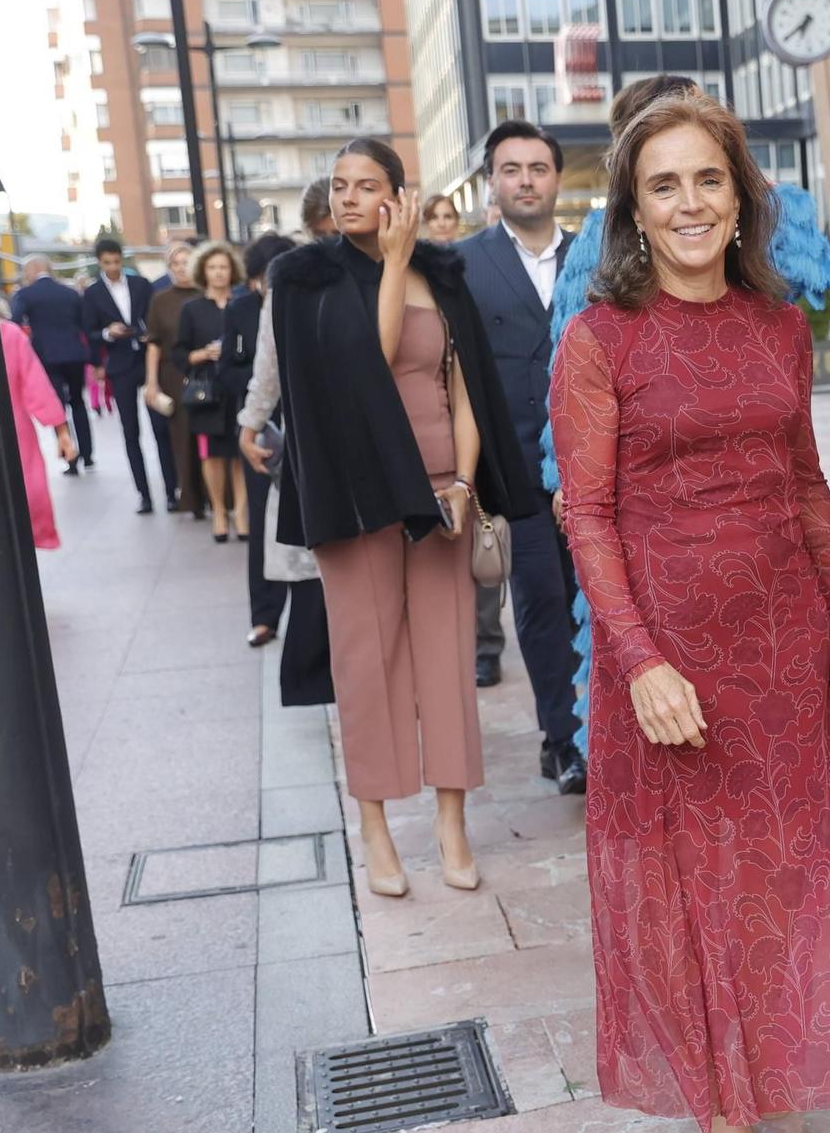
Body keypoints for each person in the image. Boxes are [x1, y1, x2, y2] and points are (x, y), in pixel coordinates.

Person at [549, 92, 830, 1133]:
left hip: (777, 642)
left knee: (776, 869)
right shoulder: (601, 339)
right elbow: (583, 514)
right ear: (633, 210)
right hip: (668, 654)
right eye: (663, 185)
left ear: (741, 196)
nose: (689, 203)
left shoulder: (778, 324)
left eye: (707, 180)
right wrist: (635, 660)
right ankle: (724, 1124)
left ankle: (768, 1065)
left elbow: (805, 480)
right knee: (693, 887)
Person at [268, 139, 535, 899]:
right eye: (340, 185)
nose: (349, 197)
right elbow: (366, 360)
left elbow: (467, 386)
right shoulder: (305, 278)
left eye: (367, 185)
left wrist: (463, 481)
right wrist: (390, 263)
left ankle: (453, 823)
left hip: (441, 493)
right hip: (358, 498)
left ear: (399, 194)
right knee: (368, 661)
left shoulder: (443, 273)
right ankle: (377, 828)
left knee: (448, 657)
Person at [457, 121, 585, 790]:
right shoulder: (464, 263)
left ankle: (606, 727)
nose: (527, 179)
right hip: (515, 471)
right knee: (540, 602)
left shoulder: (596, 254)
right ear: (493, 182)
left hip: (597, 465)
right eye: (512, 169)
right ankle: (564, 740)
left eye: (538, 167)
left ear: (557, 177)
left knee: (598, 602)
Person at [238, 253, 336, 707]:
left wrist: (252, 422)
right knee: (309, 565)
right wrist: (251, 422)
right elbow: (268, 365)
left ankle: (319, 679)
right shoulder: (289, 288)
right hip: (308, 440)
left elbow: (267, 367)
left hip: (320, 437)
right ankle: (314, 679)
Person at [222, 234, 295, 643]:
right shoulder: (241, 309)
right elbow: (229, 372)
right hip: (262, 427)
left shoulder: (300, 299)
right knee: (261, 520)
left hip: (302, 424)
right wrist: (257, 399)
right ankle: (264, 615)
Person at [80, 238, 166, 512]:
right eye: (108, 263)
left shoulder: (141, 284)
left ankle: (173, 489)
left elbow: (156, 318)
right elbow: (90, 332)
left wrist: (145, 332)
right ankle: (144, 494)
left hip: (147, 360)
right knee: (131, 432)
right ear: (100, 263)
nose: (114, 267)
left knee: (161, 427)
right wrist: (108, 333)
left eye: (117, 261)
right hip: (120, 364)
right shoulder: (93, 294)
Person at [176, 241, 249, 542]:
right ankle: (218, 511)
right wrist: (204, 353)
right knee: (212, 456)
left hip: (239, 388)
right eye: (212, 267)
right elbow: (179, 354)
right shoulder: (192, 309)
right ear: (203, 271)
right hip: (207, 392)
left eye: (223, 267)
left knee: (240, 453)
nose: (219, 273)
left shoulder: (242, 304)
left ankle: (241, 512)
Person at [10, 256, 95, 477]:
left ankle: (71, 457)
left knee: (58, 407)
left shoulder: (26, 295)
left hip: (47, 358)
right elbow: (84, 324)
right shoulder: (70, 293)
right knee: (78, 402)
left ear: (31, 271)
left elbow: (15, 322)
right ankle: (88, 454)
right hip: (75, 355)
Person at [0, 312, 76, 548]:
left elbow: (36, 386)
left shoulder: (8, 334)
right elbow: (36, 386)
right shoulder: (7, 333)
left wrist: (62, 433)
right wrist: (61, 432)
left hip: (13, 433)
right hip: (13, 433)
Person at [145, 240, 202, 516]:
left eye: (186, 262)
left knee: (209, 434)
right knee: (180, 436)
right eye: (176, 264)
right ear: (169, 268)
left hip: (205, 371)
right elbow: (153, 343)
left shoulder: (206, 293)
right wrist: (152, 382)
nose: (181, 269)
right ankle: (189, 497)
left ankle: (218, 496)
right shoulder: (160, 300)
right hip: (172, 374)